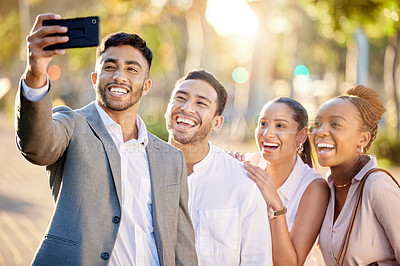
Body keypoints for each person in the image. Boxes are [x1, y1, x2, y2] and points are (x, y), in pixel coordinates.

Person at [15, 13, 197, 265]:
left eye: (132, 69)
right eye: (109, 67)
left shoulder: (171, 158)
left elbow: (182, 244)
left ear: (146, 85)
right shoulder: (71, 124)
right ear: (94, 79)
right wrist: (35, 72)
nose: (119, 76)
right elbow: (37, 146)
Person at [164, 69, 273, 265]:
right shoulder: (138, 171)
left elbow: (256, 260)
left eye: (201, 103)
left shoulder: (242, 184)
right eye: (180, 98)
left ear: (217, 122)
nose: (187, 108)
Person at [312, 85, 400, 265]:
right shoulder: (326, 188)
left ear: (363, 139)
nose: (320, 131)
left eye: (335, 124)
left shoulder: (378, 186)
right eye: (317, 124)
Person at [238, 98, 330, 265]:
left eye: (280, 126)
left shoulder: (314, 187)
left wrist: (276, 205)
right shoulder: (246, 167)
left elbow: (288, 264)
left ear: (301, 136)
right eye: (263, 124)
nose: (267, 133)